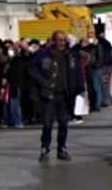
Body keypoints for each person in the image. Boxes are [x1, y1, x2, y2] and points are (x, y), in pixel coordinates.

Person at [31, 30, 83, 163]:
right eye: (59, 40)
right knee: (47, 123)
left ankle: (62, 148)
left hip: (65, 95)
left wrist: (79, 90)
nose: (62, 43)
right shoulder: (43, 54)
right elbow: (32, 70)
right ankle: (45, 147)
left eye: (64, 40)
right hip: (49, 94)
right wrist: (43, 82)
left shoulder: (71, 55)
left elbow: (78, 73)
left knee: (63, 123)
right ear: (53, 41)